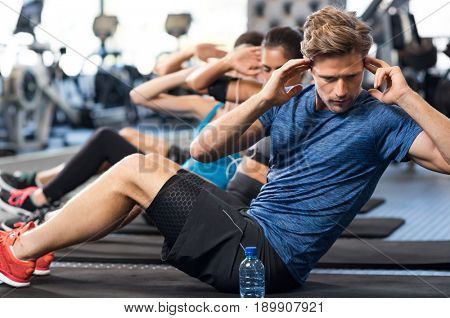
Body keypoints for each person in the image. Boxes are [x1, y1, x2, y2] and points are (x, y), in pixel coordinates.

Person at [4, 7, 448, 293]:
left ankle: (17, 253)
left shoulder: (384, 116)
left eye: (352, 76)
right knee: (136, 176)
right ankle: (39, 248)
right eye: (329, 78)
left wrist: (407, 97)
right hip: (250, 230)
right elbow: (206, 147)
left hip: (267, 261)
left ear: (368, 65)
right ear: (308, 68)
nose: (340, 90)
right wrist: (264, 97)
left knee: (135, 168)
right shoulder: (284, 102)